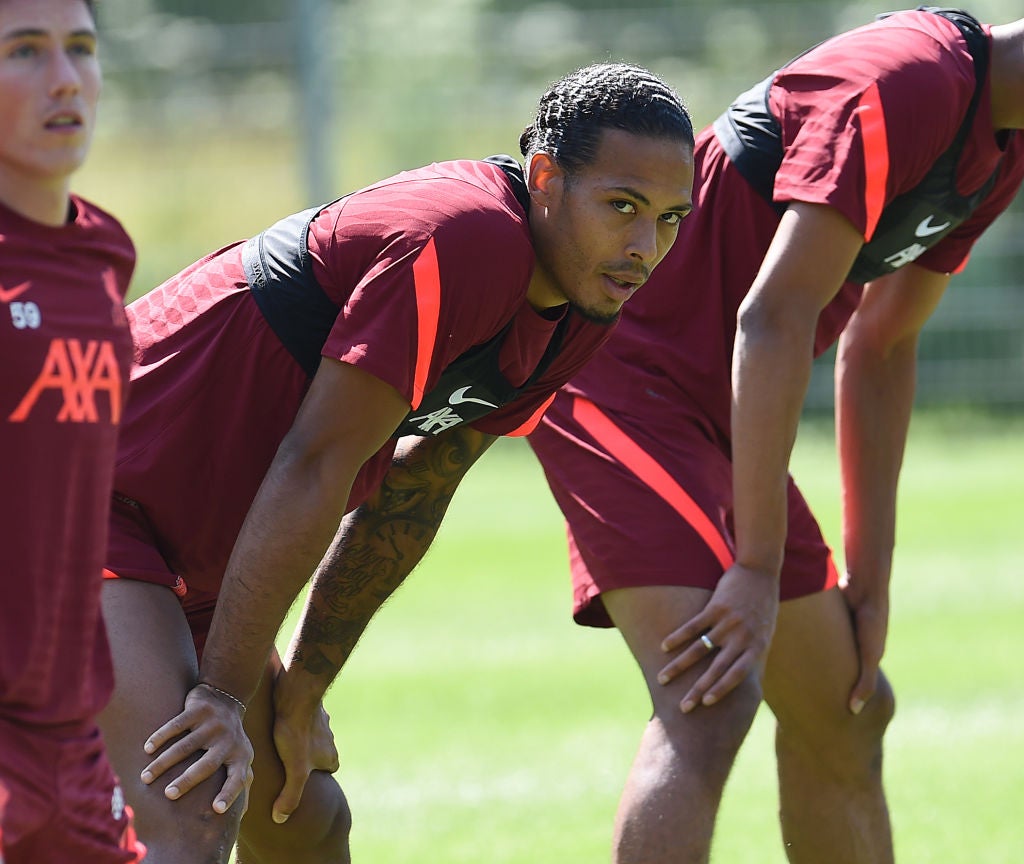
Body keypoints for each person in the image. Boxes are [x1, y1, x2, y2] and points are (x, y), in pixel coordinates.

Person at [97, 62, 696, 863]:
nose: (643, 245)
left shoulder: (584, 298)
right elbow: (317, 464)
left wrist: (303, 686)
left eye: (669, 218)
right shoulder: (467, 239)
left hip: (193, 550)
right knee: (190, 811)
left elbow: (418, 480)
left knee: (302, 817)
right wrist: (223, 694)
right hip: (90, 500)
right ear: (546, 177)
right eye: (622, 207)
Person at [527, 6, 1024, 863]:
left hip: (721, 416)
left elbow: (882, 344)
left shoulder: (1001, 146)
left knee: (847, 707)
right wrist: (755, 566)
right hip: (620, 371)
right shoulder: (910, 80)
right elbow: (772, 316)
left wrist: (870, 580)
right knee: (708, 705)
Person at [0, 0, 145, 862]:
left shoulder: (103, 258)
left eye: (81, 49)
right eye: (23, 51)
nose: (65, 79)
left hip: (71, 741)